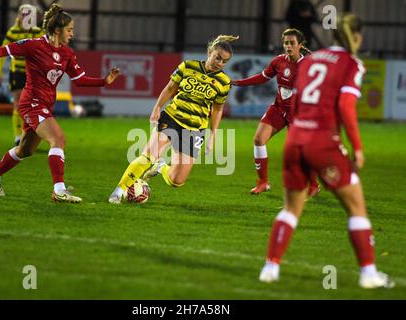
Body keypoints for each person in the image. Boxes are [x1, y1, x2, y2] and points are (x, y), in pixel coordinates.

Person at [258, 13, 394, 289]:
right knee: (357, 208)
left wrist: (297, 131)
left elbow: (295, 100)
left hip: (296, 141)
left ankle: (270, 267)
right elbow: (345, 108)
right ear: (357, 37)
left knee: (290, 209)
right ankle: (368, 274)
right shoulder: (351, 63)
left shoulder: (313, 59)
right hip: (324, 143)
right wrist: (357, 147)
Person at [0, 3, 121, 203]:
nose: (72, 34)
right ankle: (59, 190)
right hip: (31, 102)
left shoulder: (67, 53)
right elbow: (5, 50)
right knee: (58, 139)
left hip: (45, 104)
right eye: (69, 30)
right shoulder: (34, 45)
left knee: (25, 150)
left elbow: (80, 80)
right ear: (57, 30)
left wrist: (105, 81)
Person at [108, 35, 239, 204]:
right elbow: (170, 88)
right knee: (147, 156)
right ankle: (118, 192)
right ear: (209, 52)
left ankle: (161, 166)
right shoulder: (187, 66)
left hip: (195, 129)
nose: (219, 63)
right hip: (172, 118)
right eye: (217, 57)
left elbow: (217, 109)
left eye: (224, 61)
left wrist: (213, 135)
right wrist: (157, 107)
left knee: (177, 181)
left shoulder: (224, 82)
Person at [232, 28, 320, 196]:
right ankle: (263, 182)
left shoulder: (309, 66)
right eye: (285, 43)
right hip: (279, 109)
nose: (288, 46)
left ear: (300, 45)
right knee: (258, 139)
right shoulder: (278, 61)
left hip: (299, 114)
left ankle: (313, 184)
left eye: (292, 43)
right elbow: (263, 77)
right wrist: (238, 83)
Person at [0, 4, 45, 146]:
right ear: (19, 15)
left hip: (33, 74)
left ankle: (27, 135)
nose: (26, 17)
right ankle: (18, 137)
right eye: (24, 14)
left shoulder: (37, 32)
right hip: (17, 72)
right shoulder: (13, 32)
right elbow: (2, 52)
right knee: (18, 104)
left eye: (29, 14)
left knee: (31, 106)